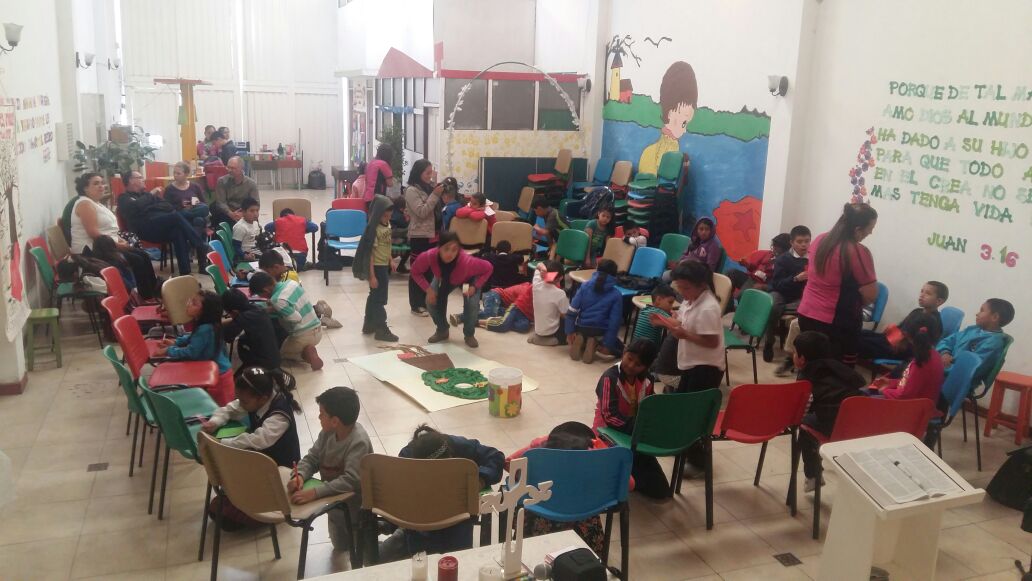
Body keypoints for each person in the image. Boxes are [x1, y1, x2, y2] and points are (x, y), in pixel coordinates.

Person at [378, 424, 504, 561]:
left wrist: (480, 478)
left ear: (451, 455)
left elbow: (496, 457)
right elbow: (400, 497)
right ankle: (394, 532)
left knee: (456, 560)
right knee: (392, 555)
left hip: (458, 521)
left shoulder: (457, 445)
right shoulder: (407, 458)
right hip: (421, 525)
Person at [199, 366, 301, 530]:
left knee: (225, 516)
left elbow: (256, 441)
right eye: (238, 398)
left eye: (244, 401)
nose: (240, 403)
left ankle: (264, 509)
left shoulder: (279, 416)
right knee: (218, 508)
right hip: (260, 464)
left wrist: (222, 443)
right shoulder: (256, 399)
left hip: (281, 474)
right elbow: (230, 409)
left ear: (263, 398)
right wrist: (215, 422)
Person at [289, 386, 372, 556]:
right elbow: (312, 458)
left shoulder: (358, 442)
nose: (319, 417)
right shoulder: (326, 434)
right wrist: (300, 475)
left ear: (335, 421)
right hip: (334, 506)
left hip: (356, 511)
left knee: (361, 552)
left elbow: (351, 480)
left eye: (322, 414)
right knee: (339, 545)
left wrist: (315, 493)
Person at [506, 422, 610, 554]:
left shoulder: (539, 452)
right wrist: (604, 450)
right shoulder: (596, 459)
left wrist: (538, 444)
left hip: (539, 515)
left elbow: (509, 463)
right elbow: (630, 484)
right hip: (583, 518)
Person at [797, 203, 879, 367]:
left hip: (807, 313)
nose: (870, 233)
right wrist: (854, 300)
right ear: (857, 229)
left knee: (809, 365)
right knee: (836, 372)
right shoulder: (858, 251)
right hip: (837, 323)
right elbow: (870, 295)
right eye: (870, 228)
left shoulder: (820, 240)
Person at [593, 339, 670, 498]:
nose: (631, 365)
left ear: (646, 366)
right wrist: (639, 429)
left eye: (638, 364)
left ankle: (625, 476)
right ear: (624, 352)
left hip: (633, 435)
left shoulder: (648, 379)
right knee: (621, 477)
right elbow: (609, 416)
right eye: (629, 358)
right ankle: (617, 475)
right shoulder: (609, 377)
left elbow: (649, 406)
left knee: (661, 490)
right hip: (608, 435)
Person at [792, 331, 867, 491]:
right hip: (860, 424)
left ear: (802, 358)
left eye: (794, 352)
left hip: (836, 428)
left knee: (804, 424)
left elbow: (803, 410)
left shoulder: (807, 377)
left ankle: (813, 475)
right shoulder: (840, 367)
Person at [650, 260, 724, 394]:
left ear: (702, 285)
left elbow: (713, 342)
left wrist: (685, 335)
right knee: (683, 399)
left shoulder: (708, 308)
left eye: (686, 288)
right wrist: (663, 321)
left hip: (705, 368)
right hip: (690, 362)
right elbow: (681, 324)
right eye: (679, 287)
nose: (682, 292)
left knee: (692, 404)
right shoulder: (689, 299)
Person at [116, 170, 209, 276]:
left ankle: (185, 272)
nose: (143, 180)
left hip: (159, 225)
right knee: (176, 216)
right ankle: (199, 244)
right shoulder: (124, 198)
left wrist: (148, 207)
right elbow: (135, 208)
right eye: (140, 177)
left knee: (178, 231)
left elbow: (167, 206)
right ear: (131, 181)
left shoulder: (145, 195)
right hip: (144, 230)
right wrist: (150, 198)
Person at [410, 231, 492, 348]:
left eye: (454, 249)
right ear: (439, 247)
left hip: (468, 278)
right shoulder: (430, 255)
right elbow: (415, 271)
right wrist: (428, 290)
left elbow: (489, 267)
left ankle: (469, 334)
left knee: (471, 305)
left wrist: (476, 286)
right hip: (444, 278)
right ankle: (442, 330)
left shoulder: (467, 262)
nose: (450, 253)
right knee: (431, 301)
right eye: (446, 249)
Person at [155, 291, 234, 405]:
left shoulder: (204, 329)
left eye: (194, 303)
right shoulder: (208, 325)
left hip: (218, 376)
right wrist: (176, 342)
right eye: (191, 301)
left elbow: (191, 352)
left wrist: (168, 350)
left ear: (204, 311)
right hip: (219, 371)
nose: (188, 304)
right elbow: (193, 337)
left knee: (219, 409)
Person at [250, 272, 324, 370]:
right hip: (318, 330)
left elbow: (296, 318)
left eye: (261, 295)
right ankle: (307, 349)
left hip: (302, 336)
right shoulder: (291, 283)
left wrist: (276, 310)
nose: (263, 297)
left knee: (281, 354)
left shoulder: (277, 300)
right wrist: (275, 308)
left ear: (266, 290)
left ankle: (306, 355)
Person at [858, 281, 947, 363]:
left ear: (938, 301)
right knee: (860, 333)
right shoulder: (917, 311)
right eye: (922, 291)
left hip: (901, 350)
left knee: (858, 341)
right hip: (891, 341)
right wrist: (891, 329)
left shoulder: (933, 321)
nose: (922, 295)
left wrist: (898, 338)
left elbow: (922, 348)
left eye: (928, 293)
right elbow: (900, 329)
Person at [866, 312, 944, 402]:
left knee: (864, 396)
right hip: (913, 402)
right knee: (868, 391)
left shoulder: (920, 362)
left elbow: (904, 396)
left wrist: (884, 391)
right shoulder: (934, 355)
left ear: (908, 336)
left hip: (910, 407)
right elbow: (911, 385)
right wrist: (891, 383)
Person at [638, 61, 697, 175]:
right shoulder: (668, 148)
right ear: (670, 114)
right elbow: (663, 173)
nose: (685, 130)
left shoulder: (659, 149)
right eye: (684, 123)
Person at [353, 195, 399, 342]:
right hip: (377, 268)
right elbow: (370, 255)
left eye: (389, 216)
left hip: (384, 265)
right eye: (384, 216)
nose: (387, 219)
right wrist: (372, 276)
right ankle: (381, 329)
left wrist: (391, 260)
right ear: (377, 214)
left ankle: (369, 324)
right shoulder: (373, 230)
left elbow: (387, 244)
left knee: (374, 295)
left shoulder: (387, 224)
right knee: (380, 298)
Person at [766, 225, 811, 367]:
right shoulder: (783, 259)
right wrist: (796, 279)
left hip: (800, 296)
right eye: (800, 241)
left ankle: (798, 353)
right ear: (792, 242)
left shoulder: (813, 259)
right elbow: (777, 284)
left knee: (809, 309)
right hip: (781, 292)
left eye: (807, 241)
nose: (804, 245)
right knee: (773, 307)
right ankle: (769, 341)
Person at [937, 298, 1015, 381]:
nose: (977, 314)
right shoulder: (972, 329)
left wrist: (942, 367)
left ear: (994, 317)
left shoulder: (993, 343)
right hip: (944, 368)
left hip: (956, 380)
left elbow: (970, 370)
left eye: (982, 310)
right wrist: (945, 353)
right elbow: (947, 341)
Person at [404, 159, 445, 316]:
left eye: (431, 172)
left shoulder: (429, 188)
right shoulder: (411, 190)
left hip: (433, 235)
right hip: (419, 236)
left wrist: (438, 193)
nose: (430, 175)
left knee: (430, 270)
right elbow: (422, 212)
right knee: (418, 270)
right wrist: (435, 195)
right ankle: (416, 304)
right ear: (418, 173)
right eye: (427, 173)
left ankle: (427, 301)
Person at [566, 259, 623, 363]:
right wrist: (607, 344)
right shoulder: (616, 295)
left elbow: (572, 310)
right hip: (600, 330)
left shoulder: (584, 286)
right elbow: (614, 322)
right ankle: (595, 344)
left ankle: (582, 339)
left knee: (583, 334)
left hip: (582, 326)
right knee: (620, 349)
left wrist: (570, 331)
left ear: (597, 270)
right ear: (615, 275)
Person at [222, 289, 285, 371]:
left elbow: (226, 336)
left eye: (228, 313)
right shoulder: (256, 308)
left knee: (237, 378)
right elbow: (238, 319)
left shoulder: (244, 317)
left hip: (263, 365)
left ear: (234, 311)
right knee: (243, 338)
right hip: (273, 358)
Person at [527, 261, 570, 346]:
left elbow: (539, 265)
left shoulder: (536, 284)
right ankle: (552, 340)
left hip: (538, 329)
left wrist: (543, 269)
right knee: (571, 322)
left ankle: (539, 337)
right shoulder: (560, 293)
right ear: (561, 278)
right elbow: (565, 314)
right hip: (551, 332)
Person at [212, 156, 260, 227]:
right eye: (228, 167)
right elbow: (221, 202)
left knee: (255, 227)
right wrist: (231, 214)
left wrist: (243, 214)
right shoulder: (222, 181)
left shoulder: (251, 184)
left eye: (233, 168)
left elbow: (256, 203)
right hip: (227, 212)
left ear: (241, 168)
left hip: (245, 213)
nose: (229, 170)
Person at [163, 161, 209, 228]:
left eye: (178, 173)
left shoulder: (195, 186)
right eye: (174, 173)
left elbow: (203, 203)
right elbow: (167, 208)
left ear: (186, 174)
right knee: (197, 219)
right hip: (179, 215)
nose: (175, 175)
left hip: (194, 211)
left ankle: (187, 216)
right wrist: (182, 206)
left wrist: (191, 204)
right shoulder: (169, 189)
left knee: (203, 210)